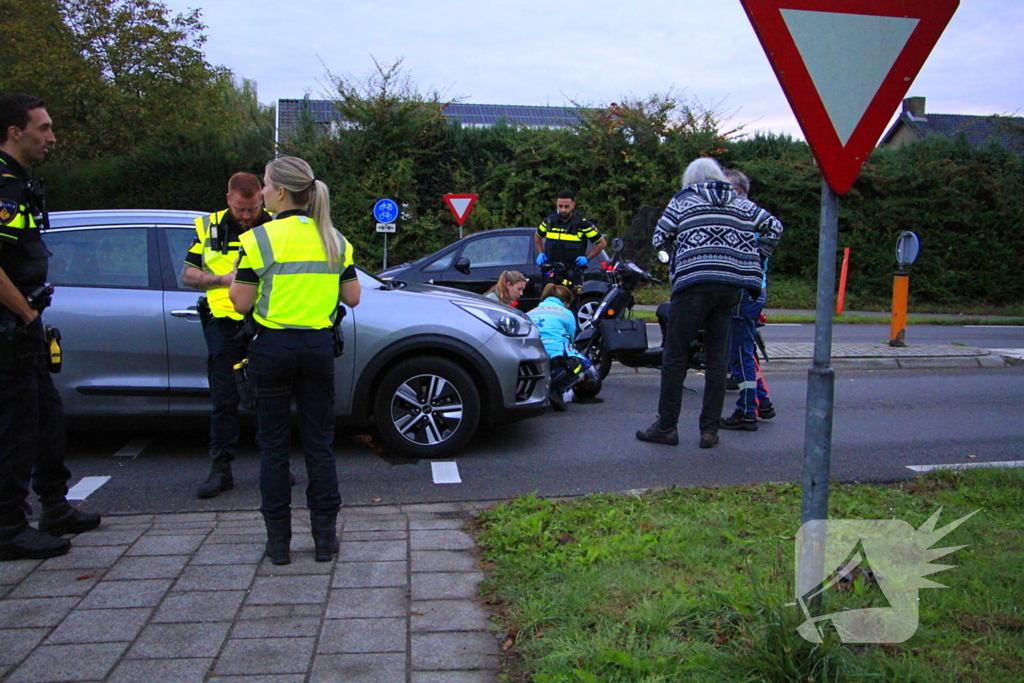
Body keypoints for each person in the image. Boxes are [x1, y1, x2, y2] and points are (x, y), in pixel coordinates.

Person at [229, 156, 360, 566]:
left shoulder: (259, 240)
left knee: (273, 448)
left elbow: (240, 301)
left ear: (281, 192)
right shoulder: (333, 237)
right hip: (318, 347)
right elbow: (353, 296)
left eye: (266, 185)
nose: (262, 192)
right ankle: (324, 541)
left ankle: (280, 545)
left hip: (272, 348)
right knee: (319, 444)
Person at [0, 93, 101, 561]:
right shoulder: (2, 186)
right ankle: (7, 526)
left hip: (25, 321)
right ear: (14, 131)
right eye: (43, 128)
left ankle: (55, 507)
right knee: (16, 427)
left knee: (45, 420)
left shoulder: (18, 183)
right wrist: (23, 313)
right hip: (11, 324)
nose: (52, 137)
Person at [636, 158, 782, 448]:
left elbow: (659, 237)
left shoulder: (683, 201)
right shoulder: (740, 203)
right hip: (730, 288)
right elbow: (774, 228)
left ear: (690, 180)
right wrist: (752, 256)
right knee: (717, 360)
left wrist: (678, 253)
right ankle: (709, 432)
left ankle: (666, 427)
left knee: (675, 357)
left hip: (691, 285)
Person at [183, 172, 272, 499]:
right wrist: (224, 278)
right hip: (223, 322)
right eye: (240, 210)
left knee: (269, 395)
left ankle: (275, 466)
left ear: (262, 198)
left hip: (264, 320)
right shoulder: (209, 227)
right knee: (224, 398)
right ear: (228, 200)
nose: (247, 216)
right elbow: (187, 274)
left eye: (252, 209)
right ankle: (221, 469)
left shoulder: (275, 226)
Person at [720, 169, 777, 431]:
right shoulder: (751, 218)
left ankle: (747, 411)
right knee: (746, 352)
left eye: (726, 188)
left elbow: (773, 231)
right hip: (753, 291)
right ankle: (761, 402)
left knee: (739, 356)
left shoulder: (746, 216)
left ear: (738, 193)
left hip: (744, 291)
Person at [527, 283, 599, 411]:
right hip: (555, 356)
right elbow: (571, 339)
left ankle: (547, 389)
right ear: (565, 302)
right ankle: (558, 389)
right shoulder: (566, 313)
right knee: (583, 366)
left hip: (532, 358)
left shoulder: (531, 312)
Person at [534, 191, 607, 293]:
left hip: (572, 273)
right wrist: (541, 253)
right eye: (560, 206)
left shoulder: (582, 224)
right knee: (549, 303)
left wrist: (587, 257)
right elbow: (537, 237)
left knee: (571, 304)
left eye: (566, 206)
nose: (563, 210)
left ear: (573, 205)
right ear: (556, 205)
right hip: (552, 272)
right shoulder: (549, 221)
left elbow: (601, 243)